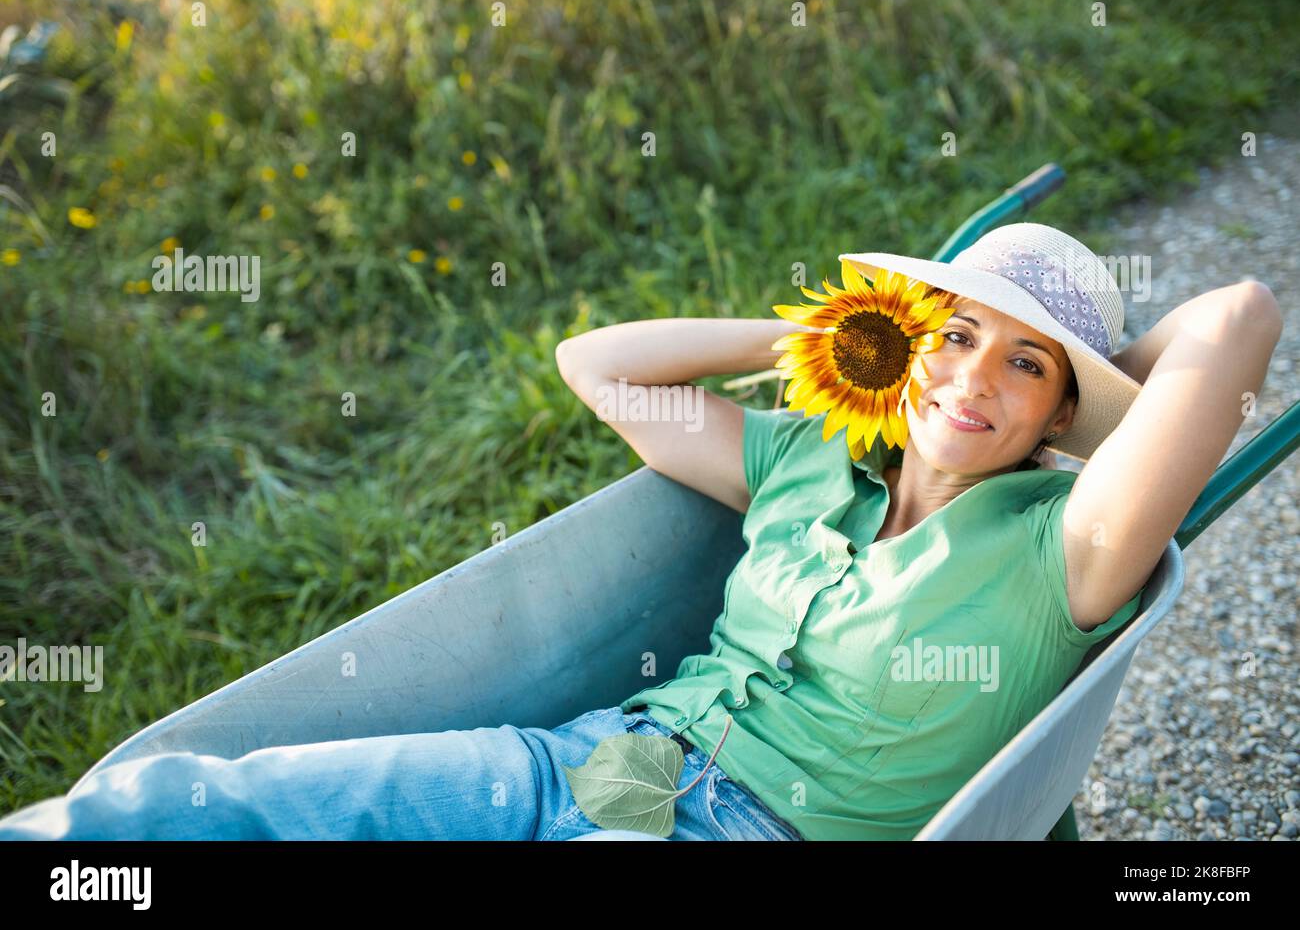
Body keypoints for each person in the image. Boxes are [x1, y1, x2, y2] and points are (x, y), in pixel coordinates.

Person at [0, 224, 1280, 841]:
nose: (970, 380)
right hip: (607, 766)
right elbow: (597, 365)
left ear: (1065, 413)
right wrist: (824, 339)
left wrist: (1094, 391)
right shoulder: (810, 458)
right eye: (952, 338)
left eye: (1023, 366)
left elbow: (1234, 317)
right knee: (200, 810)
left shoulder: (1066, 545)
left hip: (751, 835)